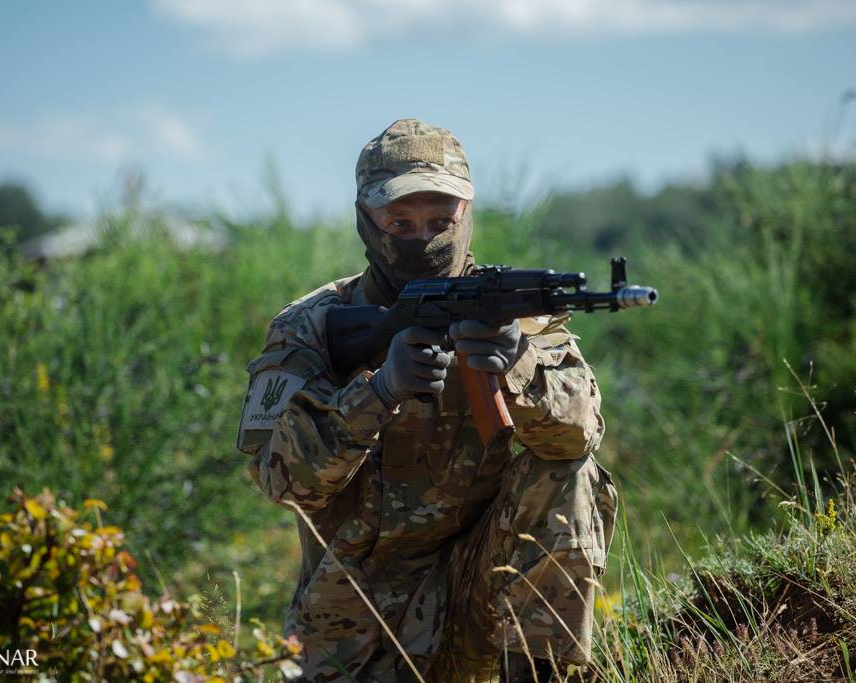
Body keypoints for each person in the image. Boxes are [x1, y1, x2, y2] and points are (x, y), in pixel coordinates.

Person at [236, 118, 617, 682]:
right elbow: (280, 481)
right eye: (401, 222)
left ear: (467, 215)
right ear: (367, 221)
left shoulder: (515, 310)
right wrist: (378, 391)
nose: (423, 238)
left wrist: (520, 366)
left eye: (441, 220)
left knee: (570, 474)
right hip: (355, 619)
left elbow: (580, 432)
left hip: (482, 589)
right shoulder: (311, 328)